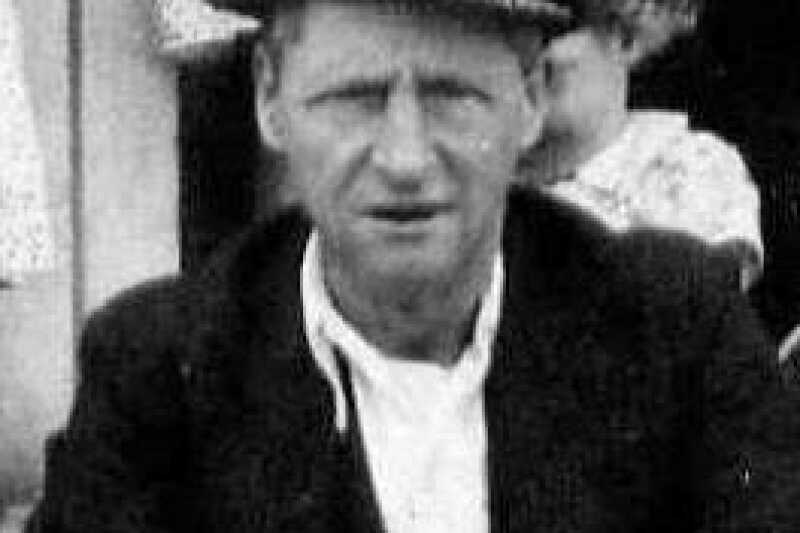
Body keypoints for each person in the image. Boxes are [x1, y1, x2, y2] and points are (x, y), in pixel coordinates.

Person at [27, 0, 800, 531]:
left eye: (451, 96)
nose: (403, 158)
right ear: (269, 97)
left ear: (530, 99)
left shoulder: (676, 328)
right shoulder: (158, 369)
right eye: (355, 98)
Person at [521, 0, 764, 291]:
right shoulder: (481, 170)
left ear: (625, 38)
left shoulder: (685, 167)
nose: (524, 56)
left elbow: (700, 308)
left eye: (553, 31)